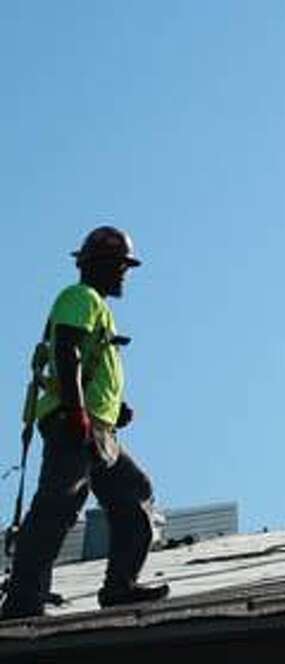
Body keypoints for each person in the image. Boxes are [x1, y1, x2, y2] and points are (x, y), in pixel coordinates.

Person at [1, 227, 168, 619]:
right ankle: (24, 600)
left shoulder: (96, 305)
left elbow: (88, 361)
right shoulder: (80, 298)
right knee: (57, 505)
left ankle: (119, 587)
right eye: (119, 266)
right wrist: (77, 411)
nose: (124, 273)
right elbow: (68, 350)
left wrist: (114, 410)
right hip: (75, 424)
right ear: (98, 266)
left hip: (97, 427)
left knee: (134, 493)